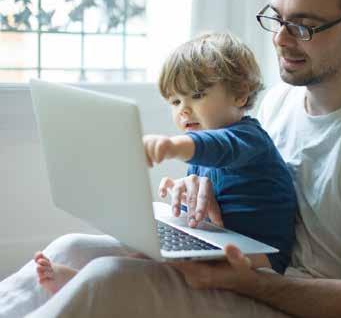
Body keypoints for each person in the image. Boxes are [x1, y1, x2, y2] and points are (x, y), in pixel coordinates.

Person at [1, 0, 341, 317]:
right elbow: (248, 175)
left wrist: (246, 282)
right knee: (70, 249)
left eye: (303, 26)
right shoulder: (279, 101)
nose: (280, 40)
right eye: (276, 17)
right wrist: (199, 187)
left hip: (289, 296)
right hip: (241, 256)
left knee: (108, 278)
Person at [32, 32, 297, 296]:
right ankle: (84, 281)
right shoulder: (199, 155)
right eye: (175, 101)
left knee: (154, 271)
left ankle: (87, 285)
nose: (183, 109)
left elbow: (219, 147)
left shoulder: (248, 138)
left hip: (263, 259)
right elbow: (206, 205)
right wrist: (182, 206)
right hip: (225, 242)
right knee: (145, 255)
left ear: (239, 95)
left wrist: (172, 146)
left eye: (197, 94)